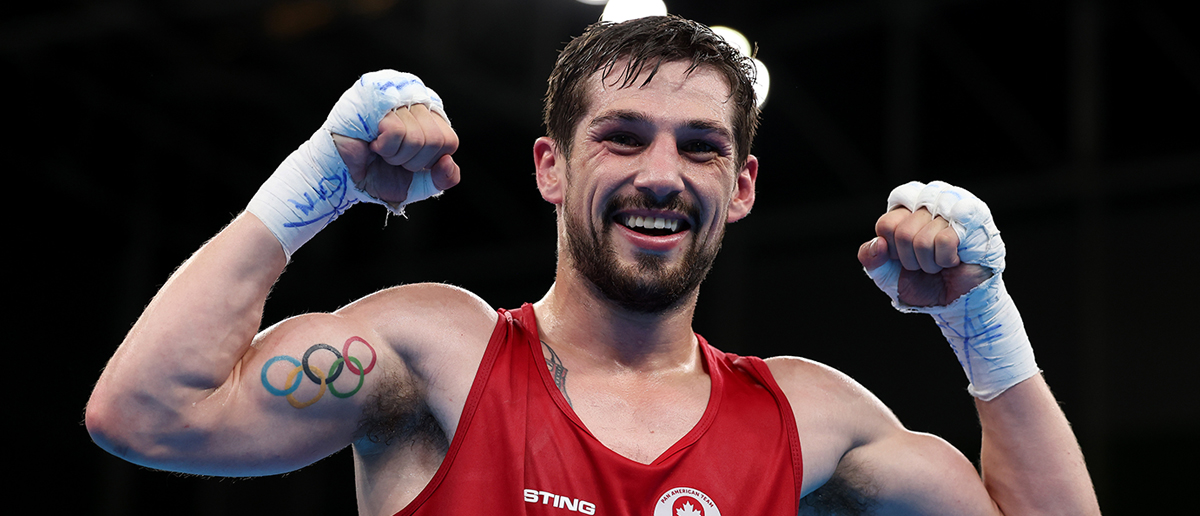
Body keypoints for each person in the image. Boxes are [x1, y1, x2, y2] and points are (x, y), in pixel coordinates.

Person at [86, 15, 1100, 516]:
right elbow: (143, 415)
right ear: (551, 169)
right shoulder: (438, 353)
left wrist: (981, 318)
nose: (663, 174)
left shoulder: (807, 417)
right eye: (622, 137)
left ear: (740, 187)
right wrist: (315, 183)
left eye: (699, 147)